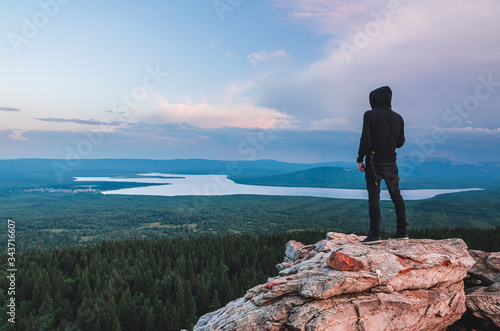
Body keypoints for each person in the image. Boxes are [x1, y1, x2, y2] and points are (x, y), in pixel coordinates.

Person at [357, 86, 408, 245]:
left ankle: (375, 235)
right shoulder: (398, 118)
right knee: (396, 195)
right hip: (391, 161)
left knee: (374, 197)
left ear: (374, 99)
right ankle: (402, 232)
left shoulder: (369, 115)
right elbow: (400, 143)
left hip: (373, 162)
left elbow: (366, 139)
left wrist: (360, 158)